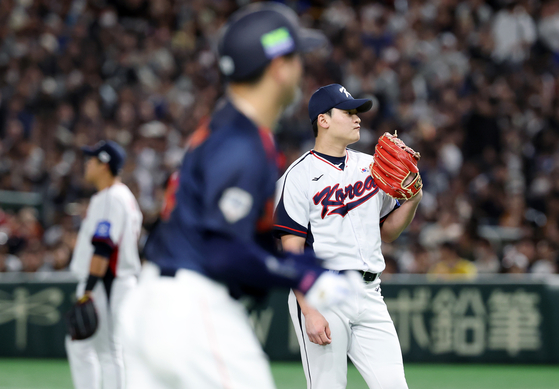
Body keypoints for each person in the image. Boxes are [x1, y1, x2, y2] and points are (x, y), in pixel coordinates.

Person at [118, 4, 359, 389]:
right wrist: (297, 273)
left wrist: (305, 265)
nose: (301, 69)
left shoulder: (227, 126)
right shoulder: (242, 144)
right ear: (279, 69)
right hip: (192, 308)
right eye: (296, 58)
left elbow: (239, 234)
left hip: (153, 303)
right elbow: (221, 251)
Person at [274, 84, 423, 389]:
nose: (357, 118)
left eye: (358, 113)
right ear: (323, 120)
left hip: (370, 291)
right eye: (348, 112)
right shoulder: (297, 176)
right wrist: (310, 311)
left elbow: (388, 233)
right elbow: (292, 250)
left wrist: (413, 200)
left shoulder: (372, 167)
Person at [65, 140, 143, 389]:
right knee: (82, 345)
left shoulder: (112, 197)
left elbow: (104, 247)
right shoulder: (120, 197)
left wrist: (88, 289)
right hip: (111, 281)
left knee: (109, 351)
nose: (86, 164)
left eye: (91, 160)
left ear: (104, 165)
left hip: (107, 282)